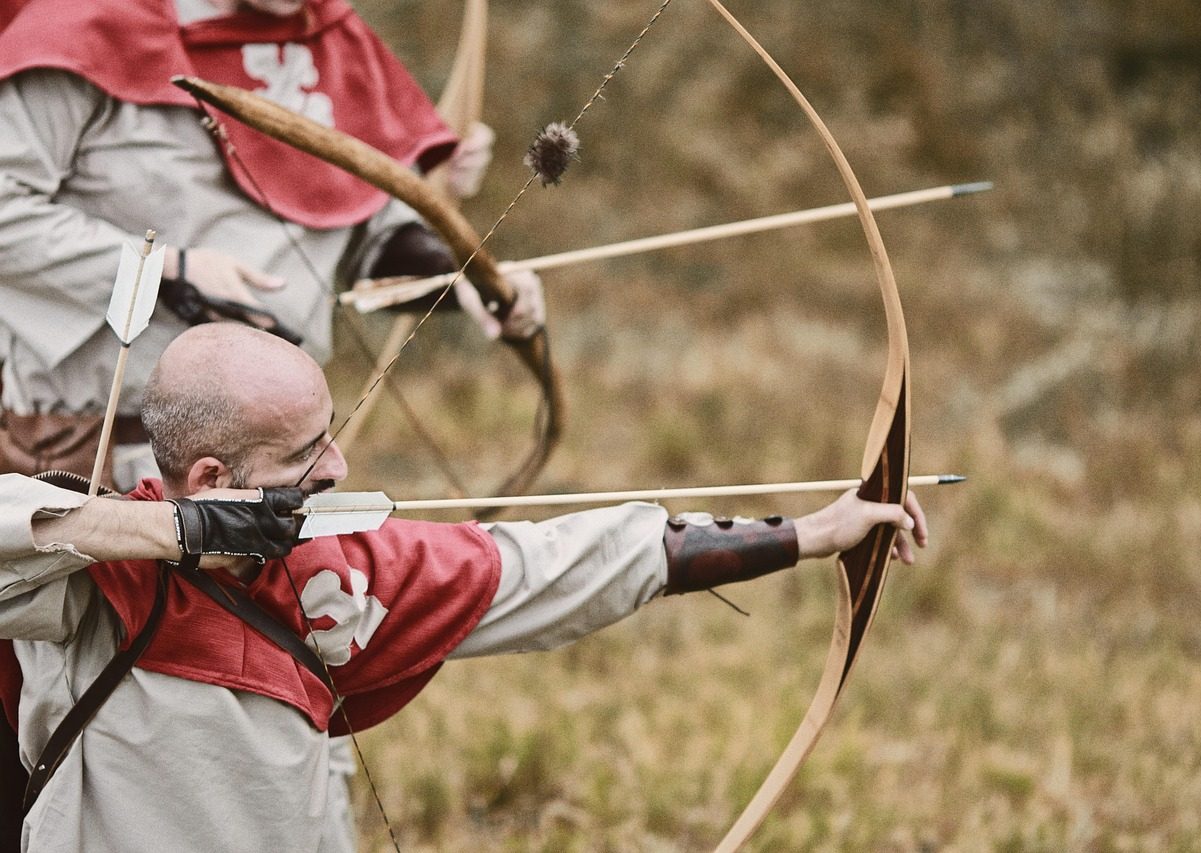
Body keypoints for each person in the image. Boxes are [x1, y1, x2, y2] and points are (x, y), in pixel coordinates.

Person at [0, 324, 927, 851]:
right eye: (303, 453)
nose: (340, 465)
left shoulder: (345, 571)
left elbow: (563, 561)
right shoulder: (85, 586)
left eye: (332, 431)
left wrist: (808, 534)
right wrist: (174, 535)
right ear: (208, 479)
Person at [0, 0, 542, 490]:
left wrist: (465, 277)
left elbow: (367, 238)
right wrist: (166, 267)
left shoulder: (333, 38)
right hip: (93, 452)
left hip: (276, 463)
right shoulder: (81, 28)